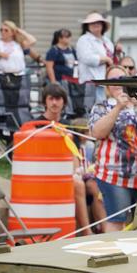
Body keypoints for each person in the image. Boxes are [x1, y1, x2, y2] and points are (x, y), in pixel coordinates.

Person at [89, 65, 137, 232]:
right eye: (112, 81)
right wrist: (118, 107)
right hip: (114, 174)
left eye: (121, 79)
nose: (117, 84)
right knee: (117, 220)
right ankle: (112, 254)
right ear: (107, 86)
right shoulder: (102, 106)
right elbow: (97, 132)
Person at [40, 83, 106, 234]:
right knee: (78, 184)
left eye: (58, 99)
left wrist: (77, 171)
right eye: (51, 99)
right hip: (47, 173)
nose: (54, 103)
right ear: (45, 101)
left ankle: (106, 231)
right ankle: (86, 233)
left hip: (69, 170)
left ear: (64, 102)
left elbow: (74, 153)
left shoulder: (67, 126)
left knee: (94, 185)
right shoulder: (37, 125)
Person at [75, 12, 114, 115]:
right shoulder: (84, 40)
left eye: (98, 23)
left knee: (105, 110)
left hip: (105, 82)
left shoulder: (107, 41)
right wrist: (105, 59)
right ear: (87, 26)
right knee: (92, 111)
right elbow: (87, 58)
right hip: (90, 82)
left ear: (103, 25)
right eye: (92, 23)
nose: (95, 25)